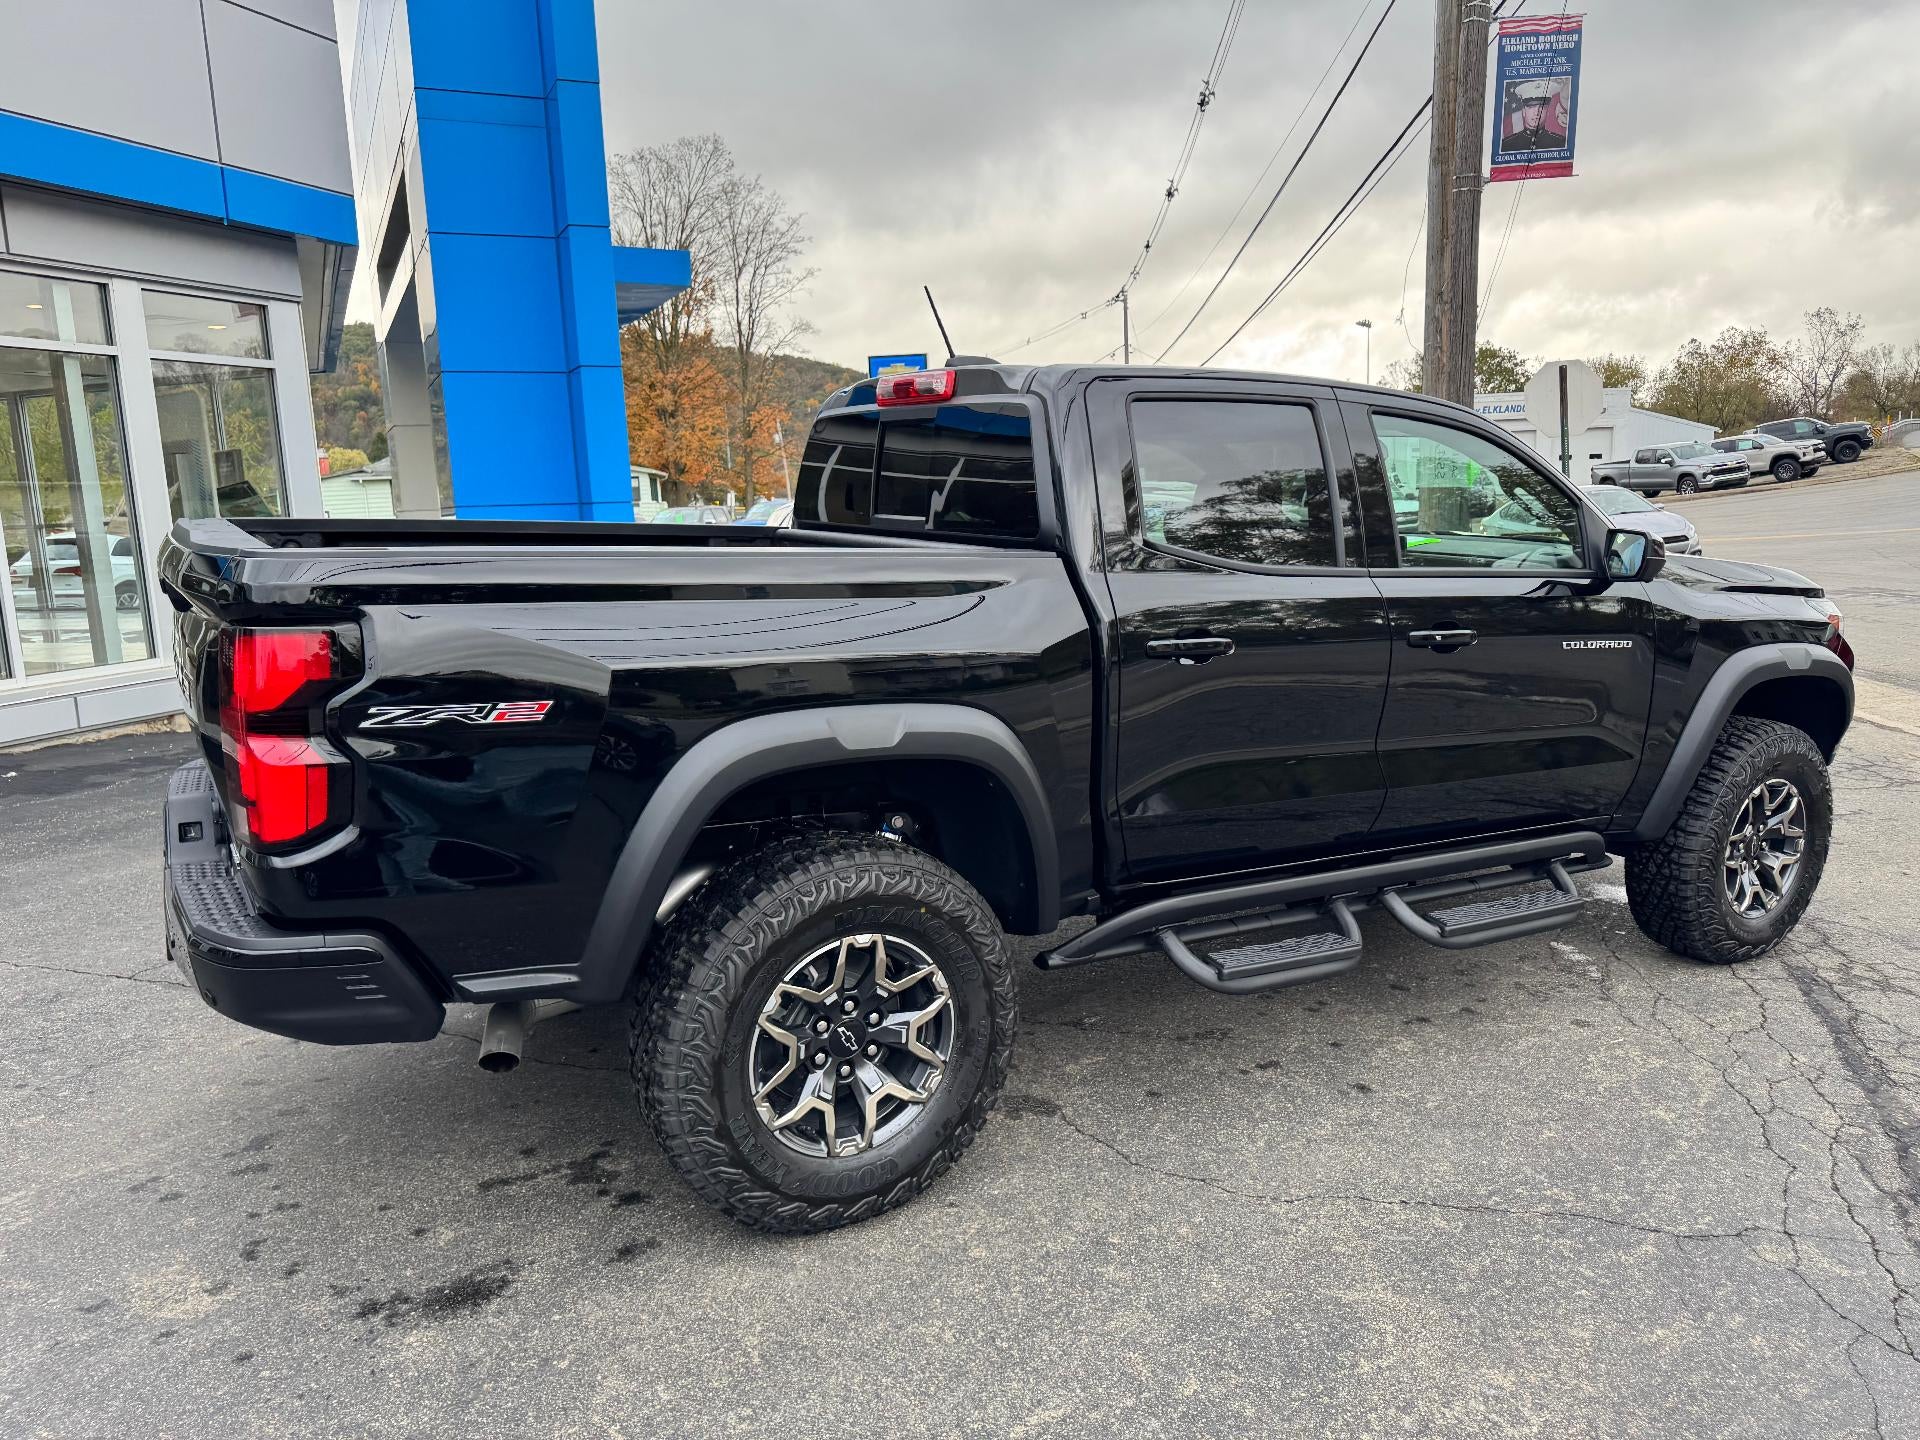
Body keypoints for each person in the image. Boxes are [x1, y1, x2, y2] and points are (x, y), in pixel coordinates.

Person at [1500, 79, 1567, 153]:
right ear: (1524, 111)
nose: (1536, 112)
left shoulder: (1560, 143)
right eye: (1531, 107)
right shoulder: (1506, 145)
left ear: (1547, 111)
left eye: (1542, 107)